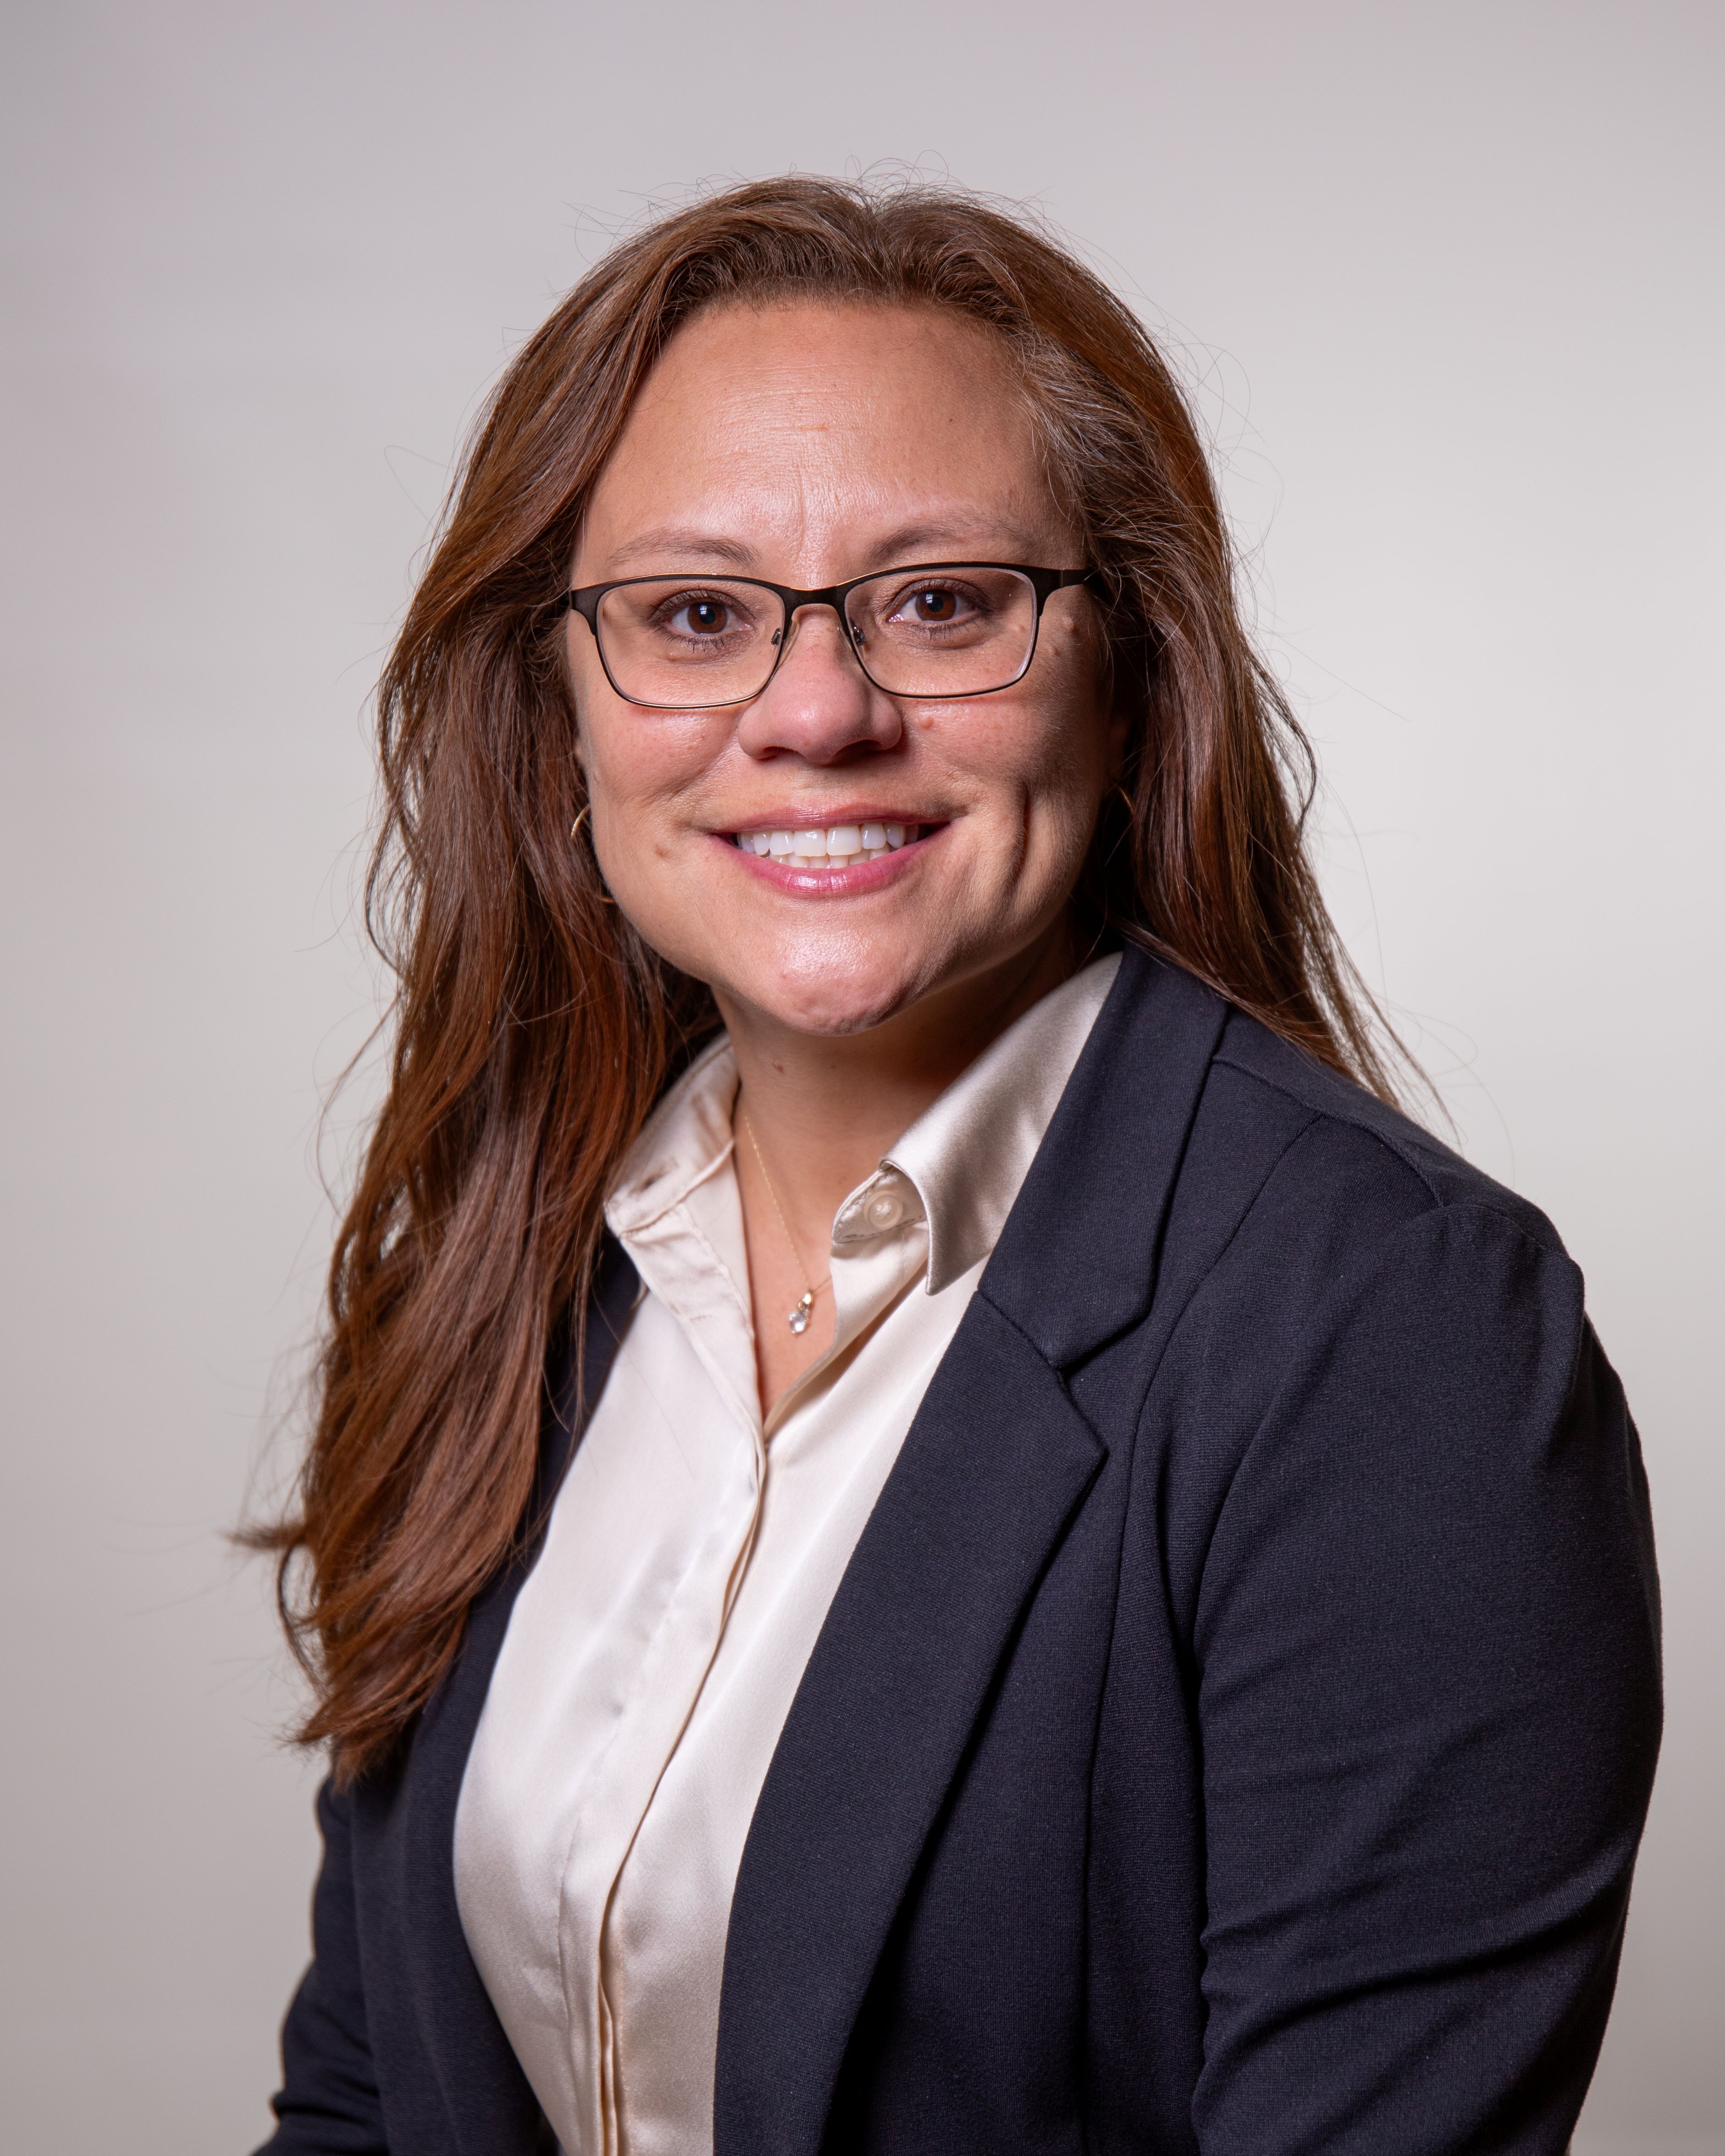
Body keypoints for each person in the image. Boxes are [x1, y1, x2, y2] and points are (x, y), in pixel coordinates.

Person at [252, 177, 1661, 2156]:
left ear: (1126, 674)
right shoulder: (500, 1276)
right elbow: (367, 2102)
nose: (816, 711)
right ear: (555, 717)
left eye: (940, 602)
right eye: (690, 615)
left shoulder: (1384, 1330)